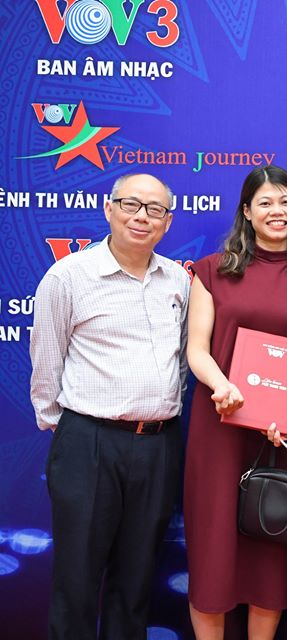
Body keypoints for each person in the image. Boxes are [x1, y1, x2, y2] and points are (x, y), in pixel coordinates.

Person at [30, 173, 190, 640]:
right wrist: (71, 430)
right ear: (109, 208)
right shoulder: (68, 276)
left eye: (155, 209)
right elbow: (46, 362)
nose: (142, 217)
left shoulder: (178, 280)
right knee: (77, 581)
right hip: (88, 443)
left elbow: (182, 360)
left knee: (135, 582)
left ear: (167, 222)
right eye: (131, 205)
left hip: (158, 445)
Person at [183, 165, 287, 640]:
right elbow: (197, 350)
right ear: (246, 212)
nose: (276, 211)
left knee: (270, 551)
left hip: (279, 436)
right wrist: (221, 387)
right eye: (265, 202)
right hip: (219, 427)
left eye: (286, 201)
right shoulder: (211, 271)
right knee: (213, 550)